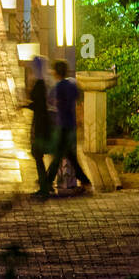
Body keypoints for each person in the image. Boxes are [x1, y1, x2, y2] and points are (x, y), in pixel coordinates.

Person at [49, 61, 92, 191]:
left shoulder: (58, 87)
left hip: (62, 123)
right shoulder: (72, 85)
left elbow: (52, 101)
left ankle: (47, 181)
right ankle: (84, 179)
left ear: (56, 72)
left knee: (60, 154)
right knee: (69, 154)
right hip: (71, 123)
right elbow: (78, 100)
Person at [25, 57, 55, 195]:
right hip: (43, 122)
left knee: (37, 152)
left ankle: (45, 184)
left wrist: (26, 104)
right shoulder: (43, 82)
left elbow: (39, 104)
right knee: (39, 153)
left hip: (41, 124)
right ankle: (45, 183)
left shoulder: (39, 84)